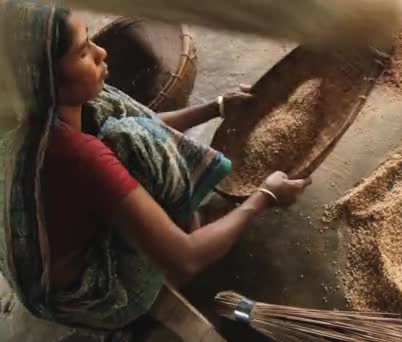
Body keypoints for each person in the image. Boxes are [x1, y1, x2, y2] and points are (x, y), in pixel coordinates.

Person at [0, 0, 311, 334]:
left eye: (90, 38)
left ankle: (159, 221)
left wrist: (216, 107)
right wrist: (264, 196)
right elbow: (186, 258)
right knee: (136, 143)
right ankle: (174, 232)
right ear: (48, 78)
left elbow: (146, 122)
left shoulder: (37, 115)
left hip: (40, 265)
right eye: (81, 53)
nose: (101, 52)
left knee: (130, 131)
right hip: (87, 297)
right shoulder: (76, 154)